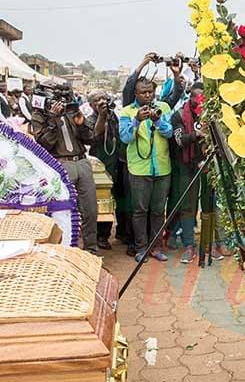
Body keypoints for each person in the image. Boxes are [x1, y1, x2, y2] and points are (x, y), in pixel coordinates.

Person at [31, 83, 98, 254]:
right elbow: (43, 144)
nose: (61, 102)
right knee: (63, 211)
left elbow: (90, 139)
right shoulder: (39, 116)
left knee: (90, 209)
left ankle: (91, 249)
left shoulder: (72, 110)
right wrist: (53, 120)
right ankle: (66, 250)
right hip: (59, 164)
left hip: (82, 162)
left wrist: (82, 125)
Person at [119, 79, 175, 263]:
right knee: (140, 211)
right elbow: (125, 138)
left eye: (150, 92)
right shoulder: (127, 111)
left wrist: (157, 121)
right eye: (143, 92)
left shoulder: (163, 107)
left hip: (162, 168)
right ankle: (141, 248)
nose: (147, 95)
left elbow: (169, 133)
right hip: (139, 169)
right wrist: (136, 120)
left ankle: (156, 247)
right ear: (135, 93)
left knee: (159, 211)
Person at [168, 82, 207, 264]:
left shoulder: (209, 114)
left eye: (203, 99)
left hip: (207, 163)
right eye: (196, 98)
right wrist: (198, 135)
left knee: (209, 205)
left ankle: (212, 244)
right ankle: (189, 245)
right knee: (187, 206)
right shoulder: (178, 116)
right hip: (185, 166)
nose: (199, 102)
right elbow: (179, 140)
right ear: (190, 97)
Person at [88, 90, 128, 251]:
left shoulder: (113, 116)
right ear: (91, 104)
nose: (102, 101)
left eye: (104, 98)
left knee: (120, 197)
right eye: (98, 99)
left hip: (117, 162)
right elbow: (95, 134)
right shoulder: (90, 119)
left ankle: (122, 230)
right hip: (101, 164)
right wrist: (101, 116)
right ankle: (102, 235)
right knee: (104, 200)